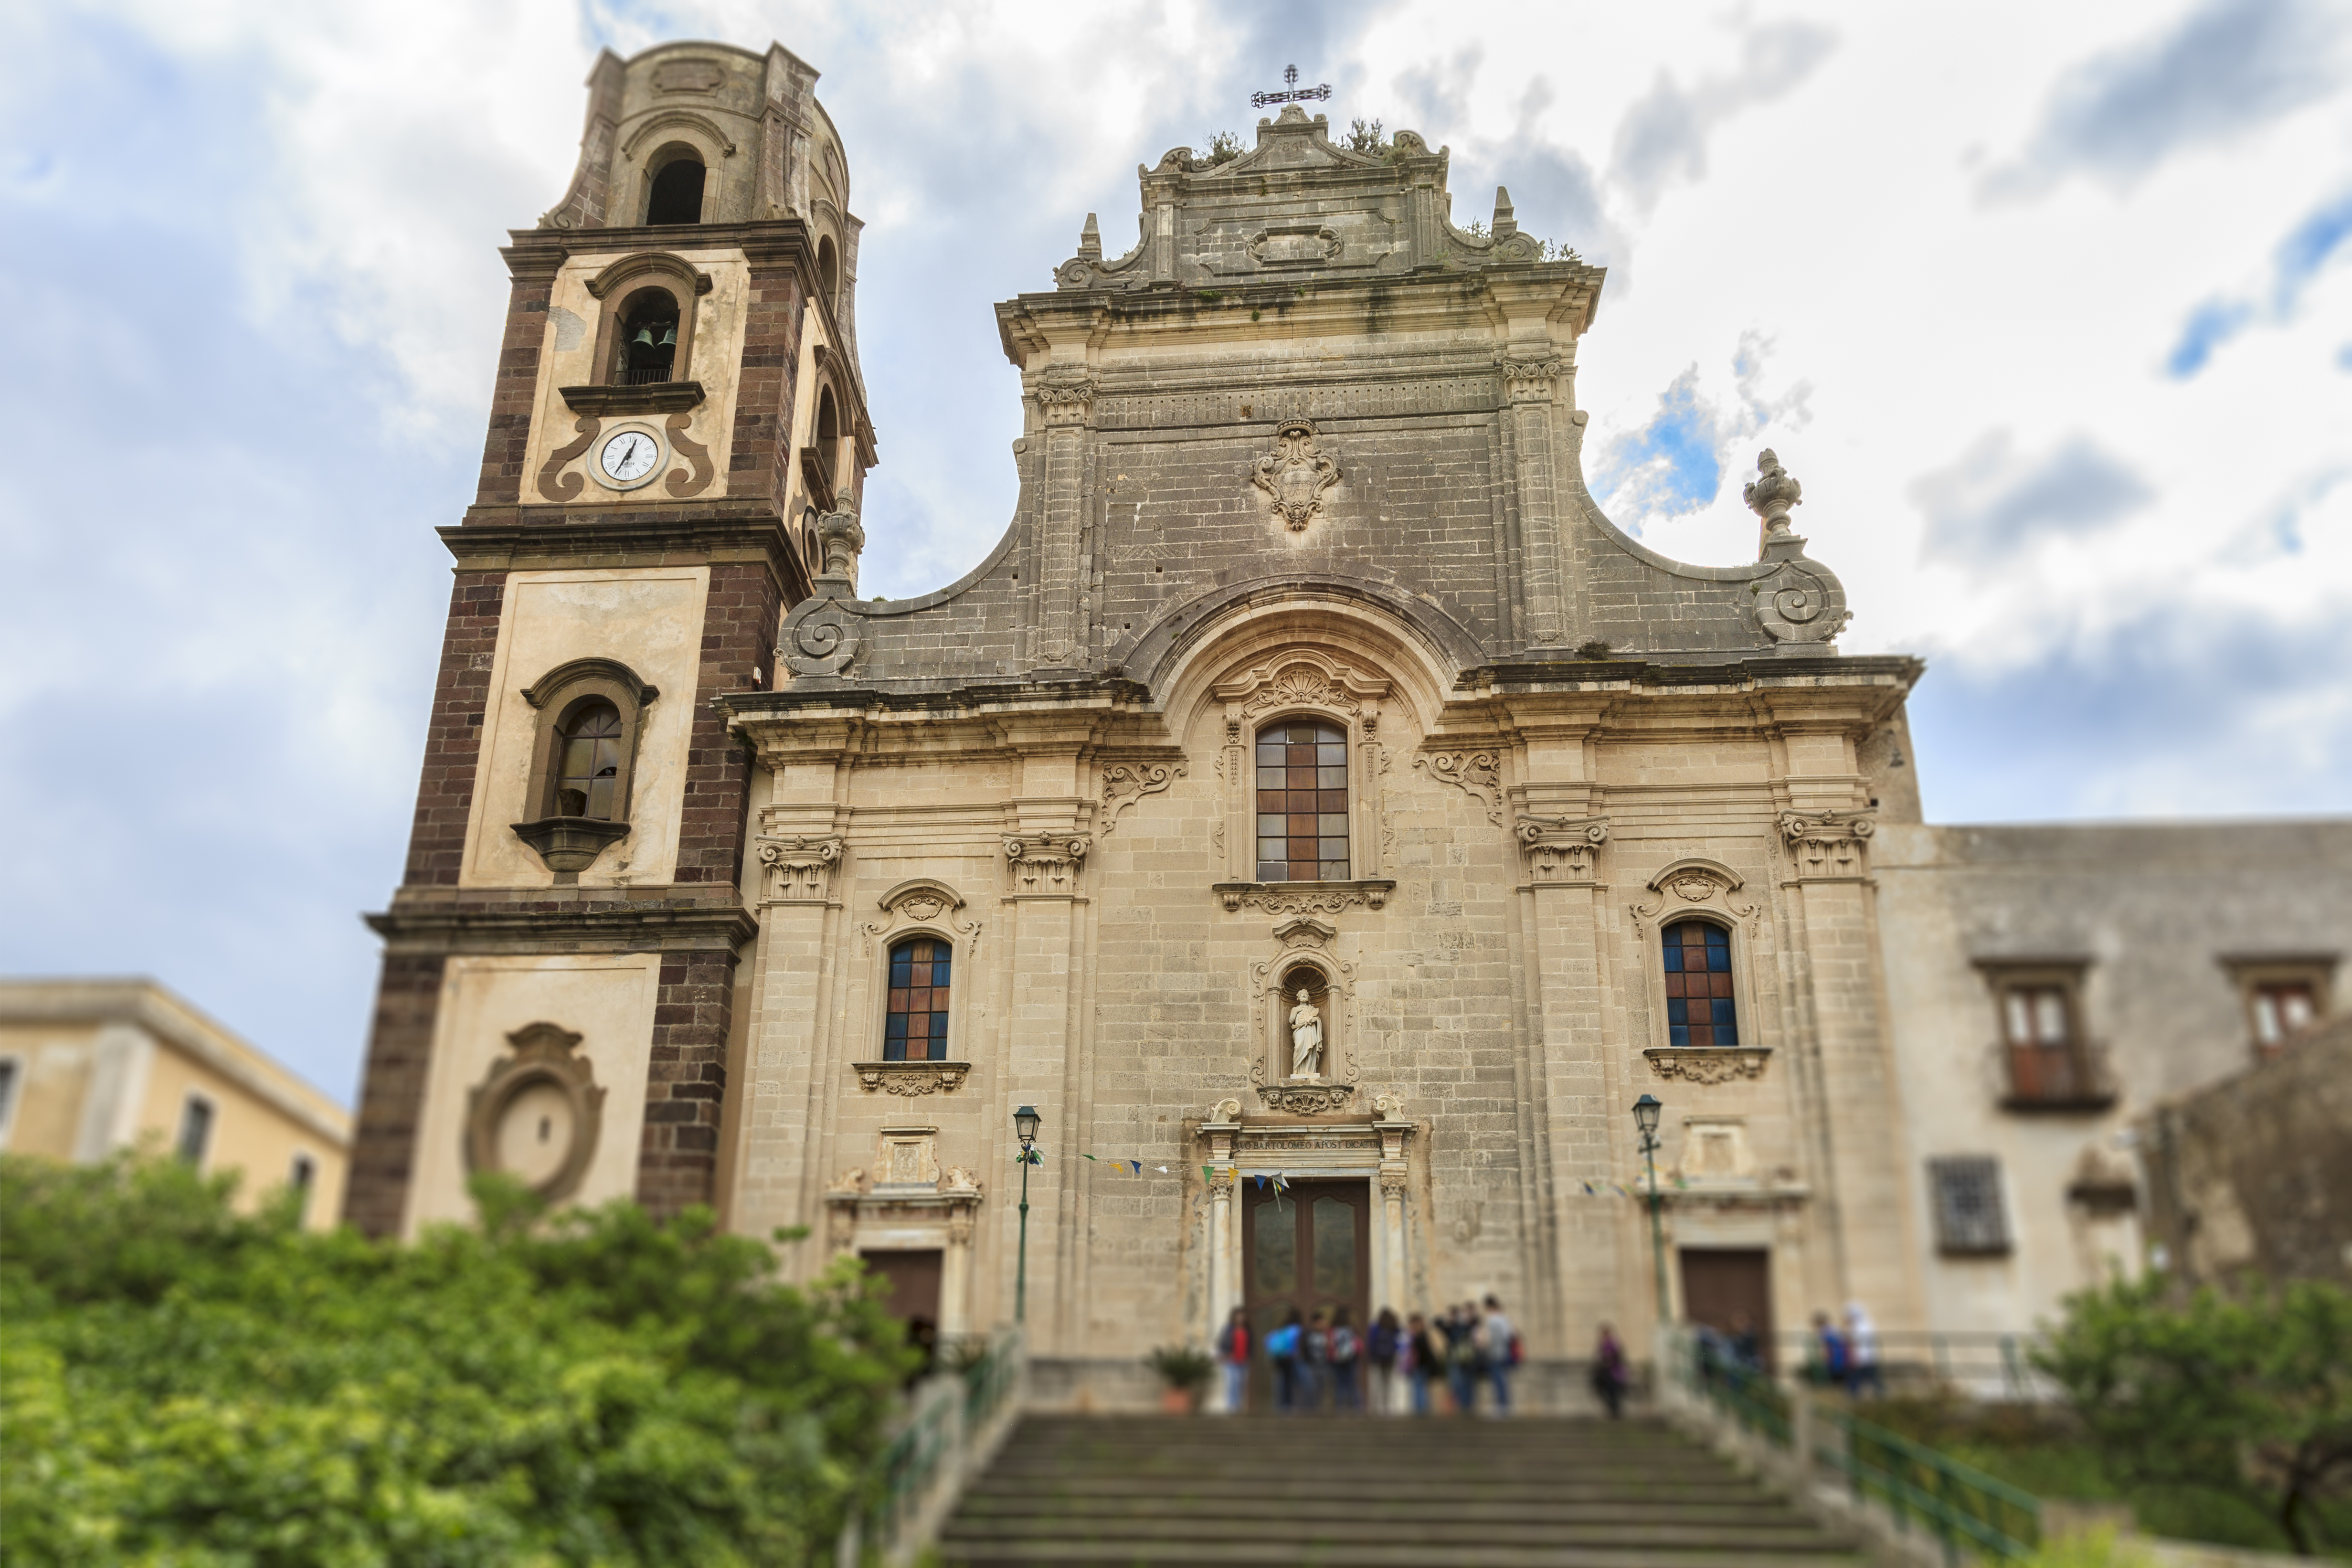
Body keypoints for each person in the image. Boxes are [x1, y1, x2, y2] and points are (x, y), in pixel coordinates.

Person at [1442, 1303, 1482, 1415]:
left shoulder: (1474, 1325)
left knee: (1468, 1383)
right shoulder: (1458, 1326)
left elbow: (1478, 1342)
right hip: (1460, 1358)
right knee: (1460, 1383)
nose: (1468, 1314)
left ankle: (1468, 1406)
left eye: (1470, 1312)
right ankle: (1464, 1406)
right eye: (1466, 1312)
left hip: (1471, 1358)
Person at [1481, 1294, 1517, 1416]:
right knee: (1502, 1379)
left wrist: (1485, 1343)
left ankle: (1501, 1407)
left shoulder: (1494, 1319)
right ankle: (1504, 1405)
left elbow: (1493, 1338)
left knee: (1498, 1380)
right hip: (1504, 1352)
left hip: (1496, 1353)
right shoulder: (1505, 1318)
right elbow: (1510, 1335)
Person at [1265, 1308, 1303, 1413]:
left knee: (1281, 1381)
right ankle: (1290, 1404)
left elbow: (1269, 1340)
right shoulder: (1296, 1329)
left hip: (1279, 1358)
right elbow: (1296, 1345)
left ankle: (1280, 1405)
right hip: (1290, 1358)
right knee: (1290, 1382)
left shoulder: (1282, 1328)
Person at [1215, 1305, 1250, 1415]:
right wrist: (1224, 1354)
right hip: (1231, 1360)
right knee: (1232, 1382)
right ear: (1234, 1317)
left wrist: (1250, 1356)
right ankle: (1231, 1406)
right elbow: (1222, 1343)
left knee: (1241, 1383)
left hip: (1244, 1361)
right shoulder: (1229, 1329)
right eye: (1238, 1315)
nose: (1241, 1318)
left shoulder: (1248, 1329)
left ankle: (1239, 1406)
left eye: (1242, 1315)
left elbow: (1251, 1345)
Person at [1844, 1302, 1884, 1400]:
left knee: (1858, 1376)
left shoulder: (1859, 1327)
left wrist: (1854, 1356)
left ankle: (1854, 1395)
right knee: (1871, 1376)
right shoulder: (1867, 1325)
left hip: (1862, 1357)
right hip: (1868, 1356)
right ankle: (1879, 1392)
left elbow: (1855, 1343)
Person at [1589, 1323, 1629, 1419]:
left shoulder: (1612, 1343)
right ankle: (1613, 1410)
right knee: (1607, 1392)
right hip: (1607, 1373)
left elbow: (1615, 1356)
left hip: (1613, 1373)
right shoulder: (1605, 1344)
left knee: (1613, 1393)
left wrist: (1608, 1361)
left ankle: (1615, 1411)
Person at [1367, 1308, 1401, 1415]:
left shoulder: (1375, 1327)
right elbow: (1399, 1337)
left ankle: (1375, 1408)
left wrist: (1371, 1357)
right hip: (1390, 1358)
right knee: (1388, 1382)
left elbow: (1371, 1342)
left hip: (1378, 1358)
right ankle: (1387, 1407)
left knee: (1377, 1383)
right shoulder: (1393, 1327)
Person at [1405, 1312, 1440, 1415]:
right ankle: (1420, 1408)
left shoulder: (1419, 1336)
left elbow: (1422, 1352)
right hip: (1421, 1365)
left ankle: (1420, 1410)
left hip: (1420, 1365)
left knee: (1419, 1387)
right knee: (1420, 1387)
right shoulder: (1421, 1335)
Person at [1328, 1306, 1362, 1411]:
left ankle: (1340, 1409)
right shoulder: (1352, 1329)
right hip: (1351, 1359)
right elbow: (1358, 1345)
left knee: (1340, 1384)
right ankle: (1357, 1409)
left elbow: (1330, 1346)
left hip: (1338, 1360)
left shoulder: (1333, 1330)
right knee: (1353, 1384)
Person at [1299, 1308, 1330, 1413]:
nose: (1323, 1324)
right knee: (1310, 1388)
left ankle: (1317, 1409)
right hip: (1310, 1366)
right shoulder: (1308, 1334)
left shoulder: (1325, 1335)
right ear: (1315, 1322)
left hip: (1322, 1366)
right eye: (1321, 1322)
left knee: (1320, 1389)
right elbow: (1303, 1349)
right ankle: (1308, 1410)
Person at [1809, 1310, 1849, 1389]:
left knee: (1834, 1381)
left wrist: (1824, 1359)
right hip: (1841, 1357)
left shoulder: (1823, 1332)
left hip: (1834, 1359)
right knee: (1841, 1381)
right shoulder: (1834, 1329)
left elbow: (1825, 1349)